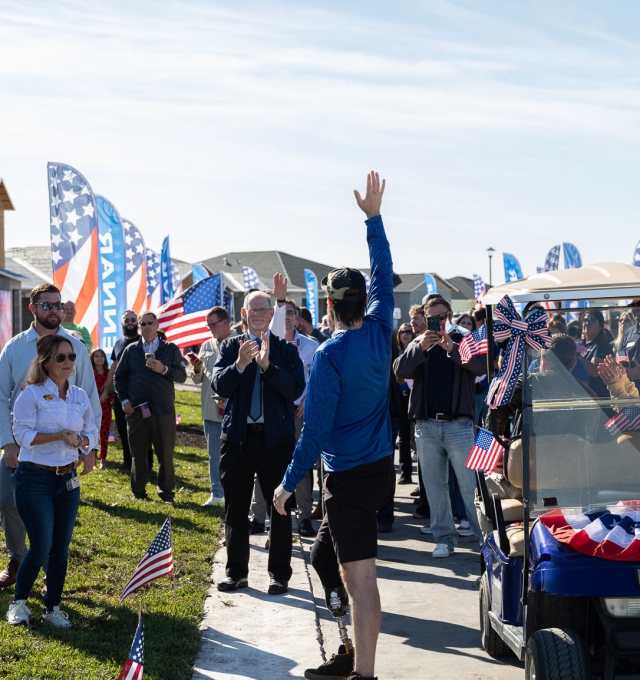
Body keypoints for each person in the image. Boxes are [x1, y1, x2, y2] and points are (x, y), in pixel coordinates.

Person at [274, 171, 395, 680]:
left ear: (327, 305)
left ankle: (363, 674)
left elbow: (315, 432)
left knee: (360, 579)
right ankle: (348, 651)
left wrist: (284, 485)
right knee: (327, 561)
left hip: (349, 477)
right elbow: (384, 271)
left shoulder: (329, 355)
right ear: (362, 301)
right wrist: (374, 220)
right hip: (377, 471)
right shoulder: (382, 326)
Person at [0, 283, 100, 589]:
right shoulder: (15, 348)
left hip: (62, 452)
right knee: (8, 501)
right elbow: (2, 397)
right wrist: (7, 442)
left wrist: (90, 448)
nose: (55, 310)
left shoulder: (75, 346)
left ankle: (48, 571)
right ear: (33, 309)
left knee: (55, 512)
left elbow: (89, 399)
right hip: (22, 443)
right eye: (47, 306)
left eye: (58, 305)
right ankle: (18, 558)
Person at [211, 289, 305, 595]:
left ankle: (279, 574)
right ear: (243, 314)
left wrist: (267, 367)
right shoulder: (229, 346)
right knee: (236, 508)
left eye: (265, 309)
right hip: (237, 440)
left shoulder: (285, 350)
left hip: (275, 441)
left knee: (280, 507)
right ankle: (236, 572)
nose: (259, 314)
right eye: (253, 310)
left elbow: (293, 390)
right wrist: (239, 365)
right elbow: (219, 385)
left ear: (272, 314)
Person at [6, 334, 98, 627]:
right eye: (61, 357)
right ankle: (19, 603)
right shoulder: (30, 395)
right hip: (34, 478)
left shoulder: (80, 395)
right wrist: (59, 435)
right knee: (41, 546)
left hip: (67, 480)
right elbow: (23, 436)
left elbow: (91, 433)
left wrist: (83, 443)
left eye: (71, 357)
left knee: (60, 548)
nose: (68, 362)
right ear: (46, 362)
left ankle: (53, 608)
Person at [394, 296, 485, 558]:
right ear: (424, 317)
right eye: (432, 317)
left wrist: (453, 350)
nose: (437, 322)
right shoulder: (418, 341)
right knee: (435, 488)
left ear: (450, 314)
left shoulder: (465, 338)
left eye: (441, 316)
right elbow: (398, 372)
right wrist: (419, 349)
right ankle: (444, 537)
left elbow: (483, 368)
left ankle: (484, 539)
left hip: (458, 424)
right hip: (427, 425)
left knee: (470, 487)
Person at [114, 311, 187, 502]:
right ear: (139, 327)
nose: (146, 327)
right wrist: (124, 400)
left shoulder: (170, 349)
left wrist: (164, 369)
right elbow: (119, 377)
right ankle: (138, 491)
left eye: (150, 323)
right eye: (143, 324)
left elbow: (181, 376)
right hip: (137, 410)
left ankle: (167, 492)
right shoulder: (131, 350)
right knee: (138, 454)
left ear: (157, 325)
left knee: (165, 454)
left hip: (163, 409)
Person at [188, 306, 235, 506]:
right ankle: (217, 493)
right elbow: (197, 379)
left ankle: (234, 492)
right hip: (211, 409)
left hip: (234, 410)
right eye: (208, 325)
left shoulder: (240, 341)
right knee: (214, 454)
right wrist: (196, 368)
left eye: (213, 324)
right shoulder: (206, 345)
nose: (210, 329)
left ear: (226, 322)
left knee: (235, 455)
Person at [283, 298, 319, 537]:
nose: (286, 317)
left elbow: (318, 378)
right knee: (269, 463)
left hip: (299, 411)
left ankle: (304, 517)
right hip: (273, 412)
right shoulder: (267, 342)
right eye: (282, 313)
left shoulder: (311, 346)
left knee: (302, 464)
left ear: (298, 319)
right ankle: (262, 516)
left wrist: (307, 401)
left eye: (291, 313)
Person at [104, 311, 143, 472]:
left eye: (133, 320)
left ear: (137, 323)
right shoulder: (118, 343)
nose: (130, 322)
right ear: (122, 324)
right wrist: (106, 390)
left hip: (140, 394)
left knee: (142, 431)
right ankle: (128, 463)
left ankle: (144, 464)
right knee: (122, 428)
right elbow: (113, 367)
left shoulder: (143, 342)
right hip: (120, 394)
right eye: (126, 320)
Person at [579, 310, 613, 398]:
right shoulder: (579, 344)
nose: (587, 323)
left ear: (601, 326)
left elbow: (595, 372)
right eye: (585, 320)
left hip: (599, 398)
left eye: (592, 321)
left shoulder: (603, 345)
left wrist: (576, 356)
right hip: (581, 396)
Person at [91, 348, 114, 469]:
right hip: (92, 409)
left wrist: (108, 397)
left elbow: (113, 391)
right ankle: (92, 459)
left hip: (105, 408)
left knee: (104, 434)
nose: (99, 358)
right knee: (93, 434)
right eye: (96, 356)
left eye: (102, 356)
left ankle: (103, 460)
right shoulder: (90, 374)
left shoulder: (108, 374)